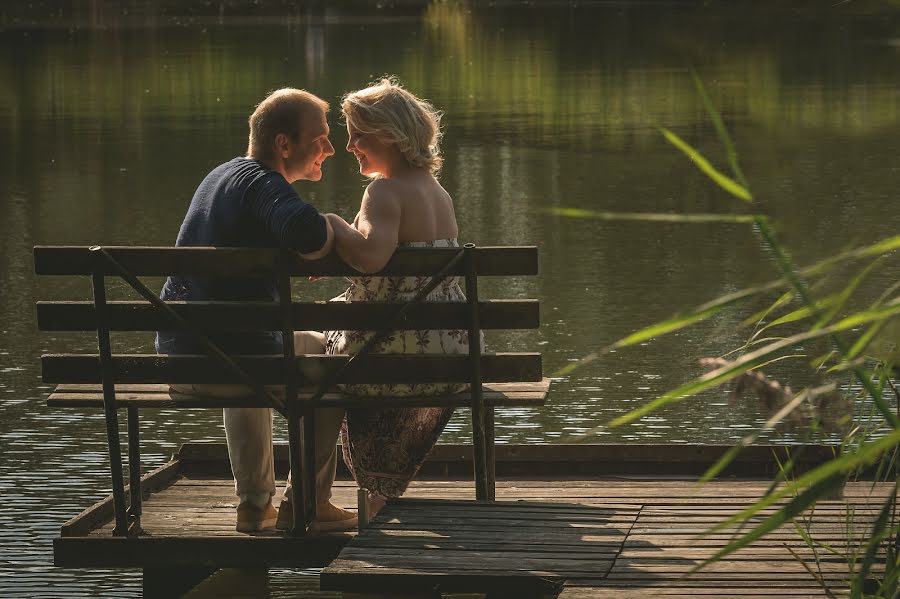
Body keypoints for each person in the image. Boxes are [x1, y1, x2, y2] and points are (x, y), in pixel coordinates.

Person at [155, 88, 358, 533]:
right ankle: (308, 501)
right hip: (233, 365)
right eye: (319, 138)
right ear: (283, 145)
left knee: (256, 344)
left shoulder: (221, 177)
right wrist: (334, 230)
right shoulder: (262, 182)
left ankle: (253, 505)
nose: (329, 148)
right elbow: (307, 233)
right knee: (335, 358)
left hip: (182, 359)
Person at [318, 78, 484, 516]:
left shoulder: (384, 192)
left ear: (390, 135)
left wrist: (335, 224)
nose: (350, 145)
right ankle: (376, 495)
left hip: (389, 353)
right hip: (452, 355)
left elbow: (371, 258)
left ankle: (312, 497)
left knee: (310, 356)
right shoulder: (438, 193)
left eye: (359, 135)